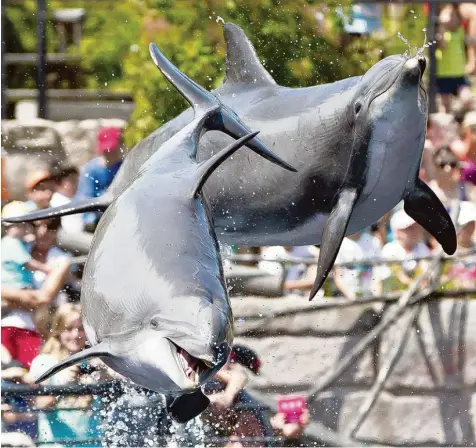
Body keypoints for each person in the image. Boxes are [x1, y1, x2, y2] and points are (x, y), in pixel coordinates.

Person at [1, 202, 70, 368]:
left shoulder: (60, 260)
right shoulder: (17, 246)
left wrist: (4, 293)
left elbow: (41, 299)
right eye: (39, 226)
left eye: (51, 227)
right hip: (7, 323)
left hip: (39, 331)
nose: (44, 232)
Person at [29, 304, 105, 446]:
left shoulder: (95, 362)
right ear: (58, 331)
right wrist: (66, 385)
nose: (75, 335)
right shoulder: (45, 362)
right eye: (68, 329)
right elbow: (41, 404)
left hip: (92, 443)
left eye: (81, 329)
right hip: (56, 444)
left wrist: (105, 371)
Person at [76, 127, 124, 230]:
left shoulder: (125, 167)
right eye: (106, 150)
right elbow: (84, 199)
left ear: (120, 145)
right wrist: (90, 222)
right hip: (96, 221)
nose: (109, 153)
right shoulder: (91, 170)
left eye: (112, 149)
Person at [376, 210, 431, 294]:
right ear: (398, 232)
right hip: (391, 298)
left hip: (413, 295)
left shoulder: (421, 247)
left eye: (417, 227)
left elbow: (426, 271)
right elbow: (400, 277)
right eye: (410, 228)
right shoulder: (389, 250)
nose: (416, 231)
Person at [436, 3, 474, 113]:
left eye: (454, 16)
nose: (452, 19)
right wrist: (441, 25)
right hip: (444, 76)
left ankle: (460, 117)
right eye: (449, 16)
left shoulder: (460, 31)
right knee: (445, 106)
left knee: (467, 98)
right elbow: (442, 45)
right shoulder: (441, 33)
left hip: (459, 75)